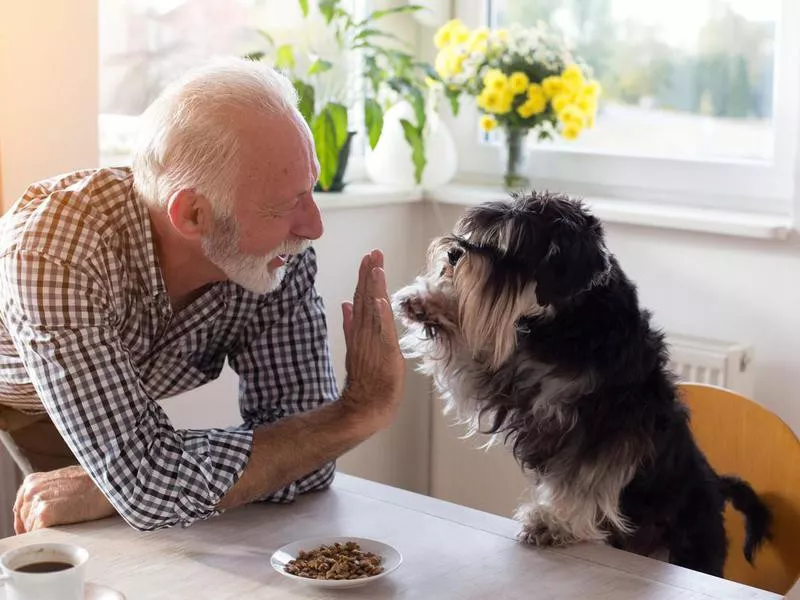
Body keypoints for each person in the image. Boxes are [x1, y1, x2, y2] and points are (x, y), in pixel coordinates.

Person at [0, 57, 405, 534]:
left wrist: (133, 480)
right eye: (285, 204)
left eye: (310, 189)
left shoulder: (276, 257)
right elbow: (151, 489)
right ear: (193, 215)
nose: (313, 226)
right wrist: (358, 412)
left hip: (104, 391)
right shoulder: (55, 252)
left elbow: (310, 458)